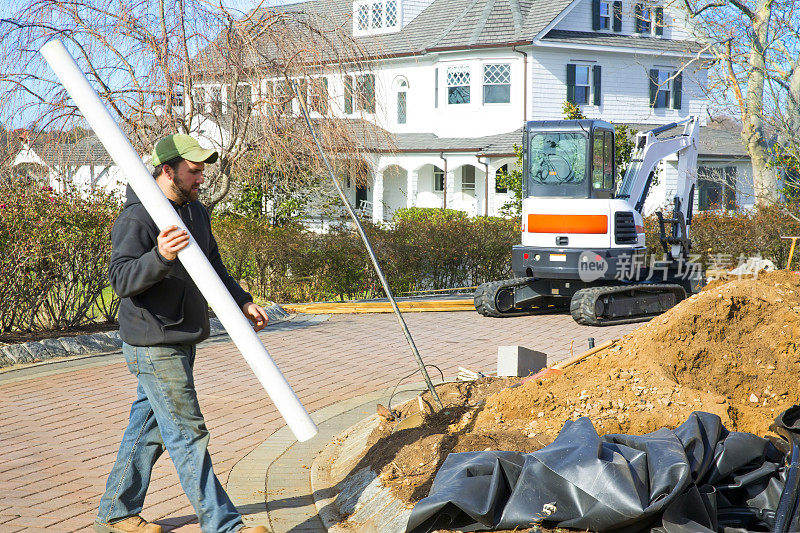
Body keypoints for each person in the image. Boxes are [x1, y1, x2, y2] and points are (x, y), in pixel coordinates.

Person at [94, 134, 270, 533]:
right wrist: (160, 256)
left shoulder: (195, 213)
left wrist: (242, 301)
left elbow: (214, 268)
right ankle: (225, 527)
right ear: (167, 169)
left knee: (149, 428)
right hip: (153, 343)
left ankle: (116, 511)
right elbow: (121, 279)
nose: (201, 178)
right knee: (187, 434)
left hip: (181, 338)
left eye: (203, 170)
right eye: (194, 171)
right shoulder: (137, 218)